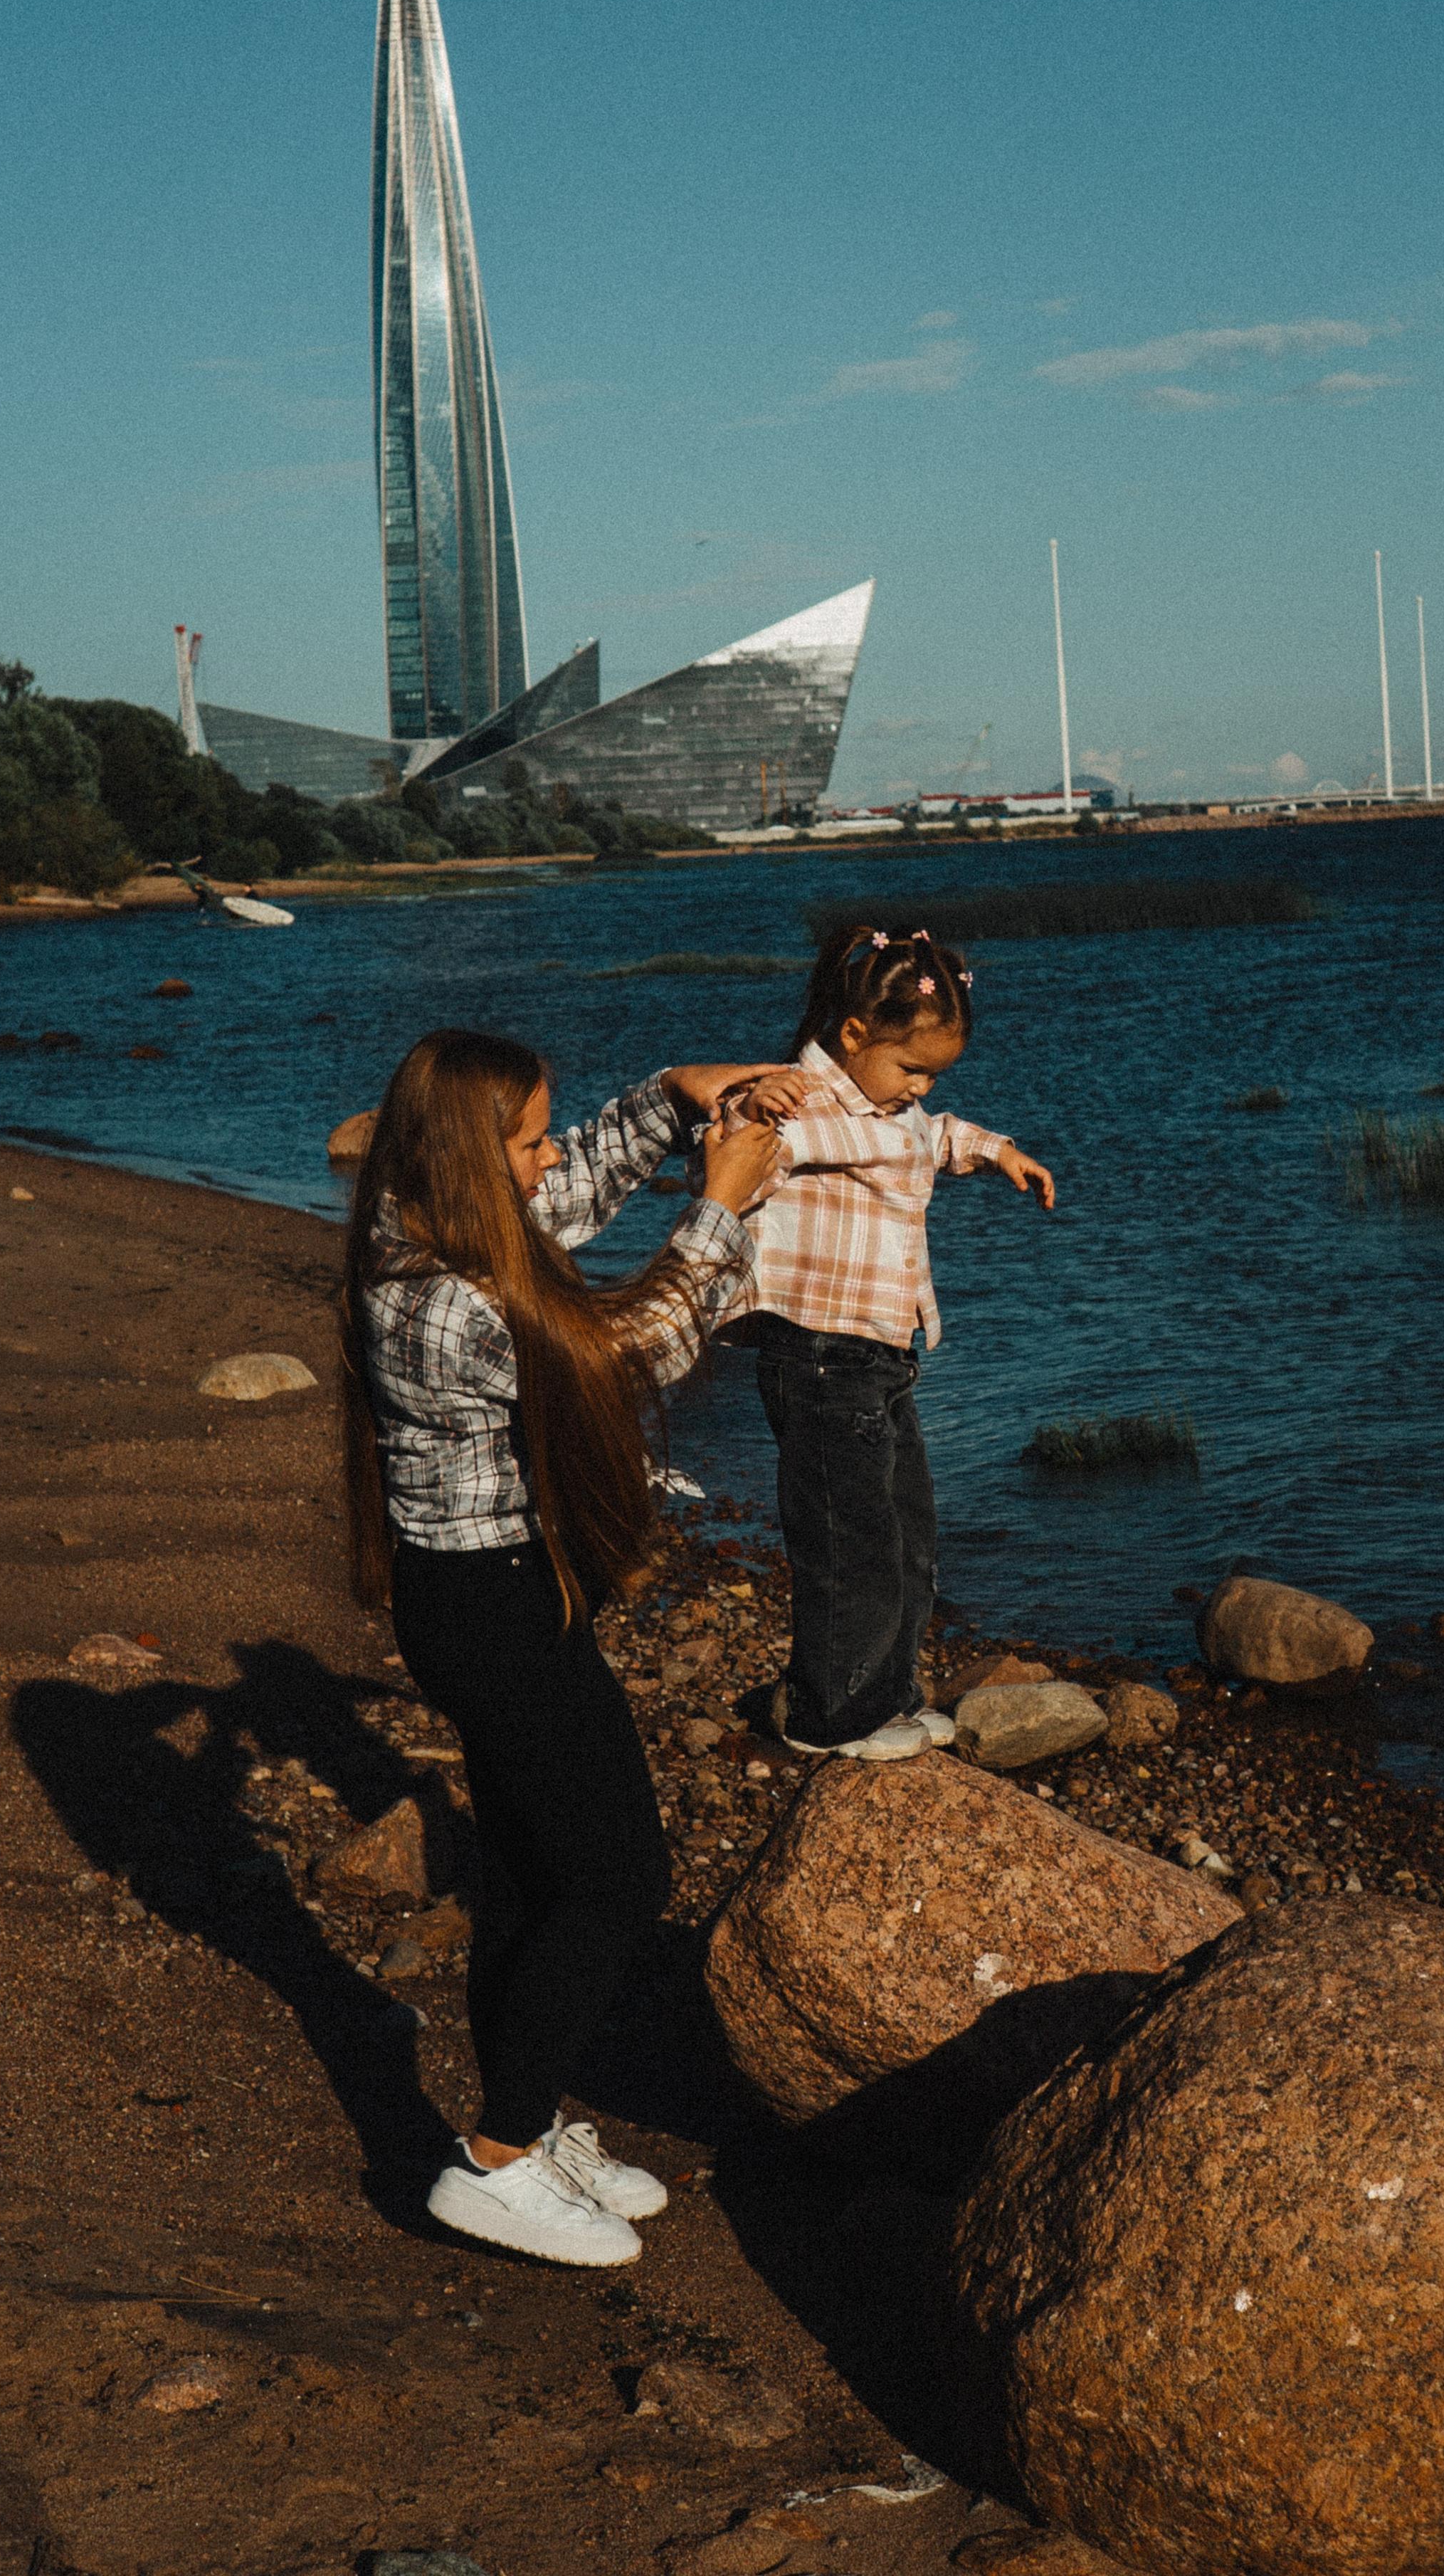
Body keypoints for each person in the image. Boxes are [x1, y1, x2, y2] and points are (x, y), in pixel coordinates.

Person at [340, 1029, 780, 2269]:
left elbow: (566, 1186)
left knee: (534, 1874)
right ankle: (497, 2161)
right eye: (529, 1137)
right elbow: (628, 1360)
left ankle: (520, 2124)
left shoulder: (434, 1225)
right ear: (476, 1157)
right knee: (617, 1876)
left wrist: (666, 1098)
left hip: (491, 1597)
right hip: (491, 1611)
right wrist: (722, 1207)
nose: (547, 1158)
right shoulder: (439, 1300)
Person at [724, 926, 1053, 1761]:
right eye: (912, 1068)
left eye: (934, 1075)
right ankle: (829, 1717)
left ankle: (888, 1696)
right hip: (817, 1354)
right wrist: (743, 1113)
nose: (920, 1089)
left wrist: (996, 1150)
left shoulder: (892, 1110)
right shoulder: (795, 1103)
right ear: (854, 1035)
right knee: (847, 1540)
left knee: (906, 1532)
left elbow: (933, 1136)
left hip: (878, 1356)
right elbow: (738, 1151)